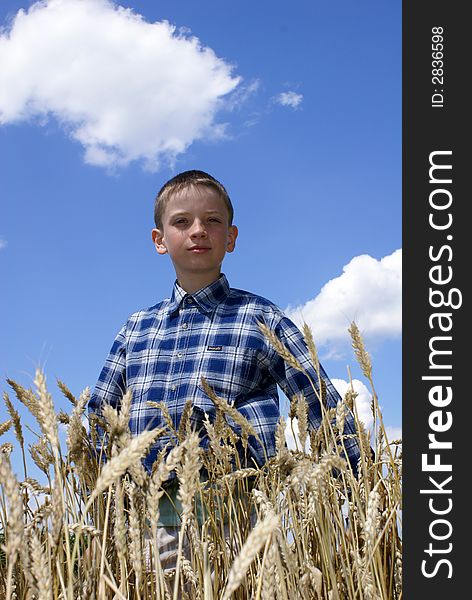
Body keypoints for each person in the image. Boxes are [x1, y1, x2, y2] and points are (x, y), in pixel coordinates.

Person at [88, 169, 361, 570]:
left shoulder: (259, 318)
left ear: (230, 237)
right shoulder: (136, 327)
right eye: (182, 221)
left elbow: (319, 401)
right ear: (159, 240)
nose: (198, 230)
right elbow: (99, 415)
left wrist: (362, 483)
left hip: (232, 508)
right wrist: (98, 495)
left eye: (212, 221)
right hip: (146, 514)